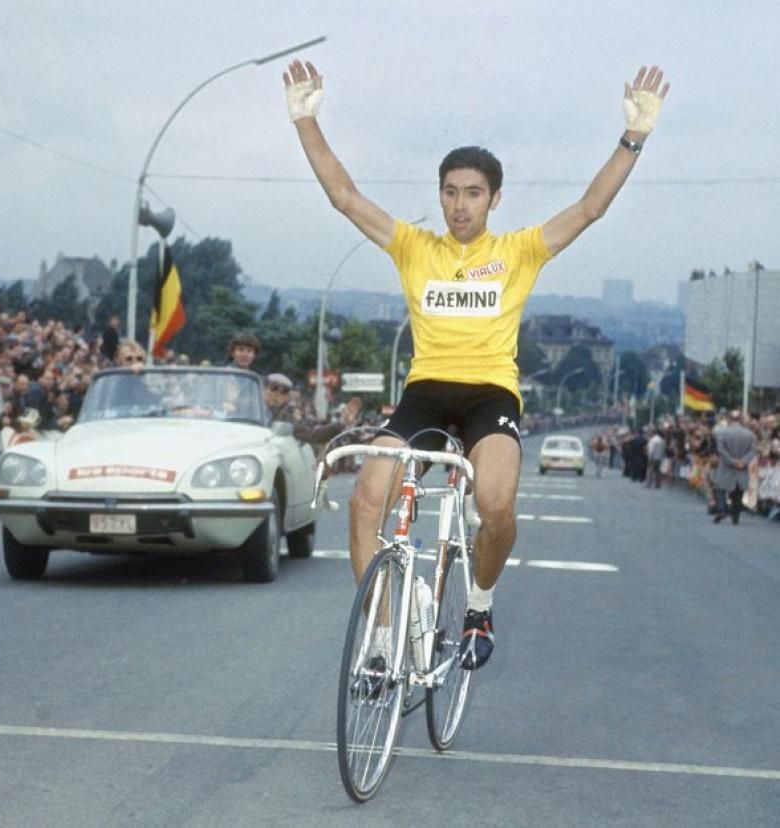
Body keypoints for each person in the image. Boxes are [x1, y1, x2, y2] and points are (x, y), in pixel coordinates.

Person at [284, 59, 669, 670]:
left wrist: (634, 137)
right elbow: (344, 197)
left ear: (493, 199)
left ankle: (479, 605)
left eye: (472, 194)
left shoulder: (518, 251)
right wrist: (305, 119)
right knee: (365, 500)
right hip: (425, 394)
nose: (459, 206)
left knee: (494, 506)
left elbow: (590, 207)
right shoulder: (414, 246)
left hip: (491, 395)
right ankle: (384, 634)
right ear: (439, 195)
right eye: (450, 192)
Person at [264, 372, 361, 444]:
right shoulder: (250, 408)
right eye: (274, 388)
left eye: (284, 391)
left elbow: (312, 435)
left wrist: (340, 423)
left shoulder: (288, 419)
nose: (277, 394)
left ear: (287, 397)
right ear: (263, 389)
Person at [712, 409, 757, 525]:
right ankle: (735, 516)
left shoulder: (722, 433)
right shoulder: (749, 434)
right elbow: (752, 451)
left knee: (719, 488)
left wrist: (731, 461)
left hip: (727, 466)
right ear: (740, 419)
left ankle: (722, 509)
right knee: (738, 491)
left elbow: (721, 449)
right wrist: (743, 461)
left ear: (729, 419)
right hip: (741, 467)